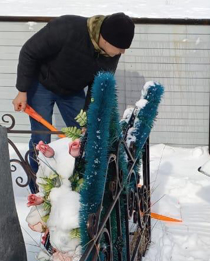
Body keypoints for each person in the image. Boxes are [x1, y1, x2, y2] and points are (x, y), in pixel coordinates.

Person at [12, 13, 135, 183]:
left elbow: (97, 86)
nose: (122, 52)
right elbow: (29, 52)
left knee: (83, 137)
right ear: (105, 39)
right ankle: (38, 189)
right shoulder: (67, 28)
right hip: (41, 84)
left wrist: (88, 117)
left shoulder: (111, 53)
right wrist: (22, 90)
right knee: (41, 139)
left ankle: (76, 184)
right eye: (120, 47)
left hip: (72, 91)